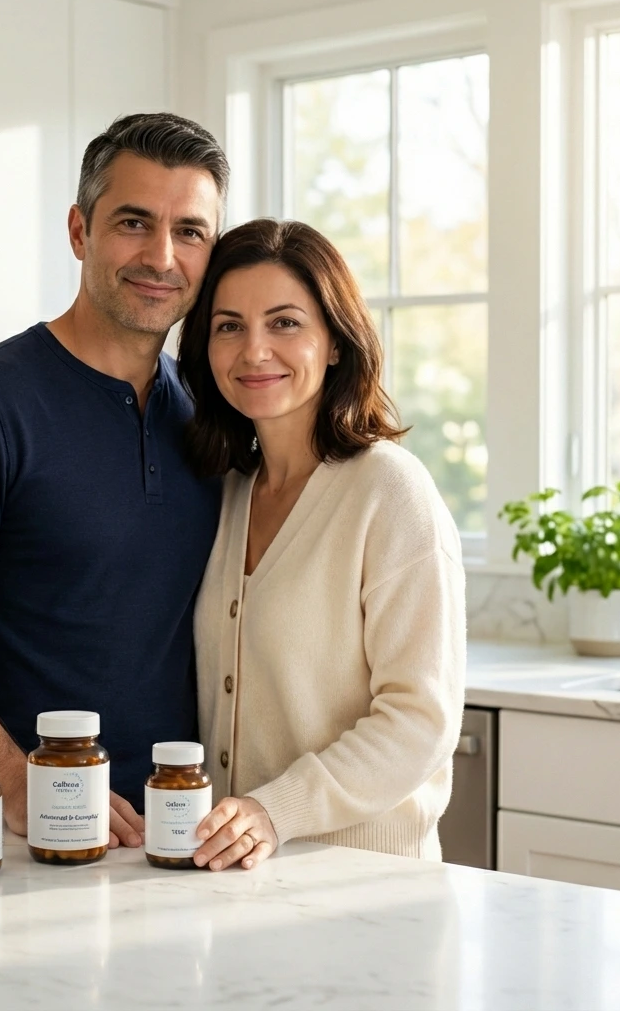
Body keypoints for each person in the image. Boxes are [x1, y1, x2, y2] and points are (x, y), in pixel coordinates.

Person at [0, 113, 229, 847]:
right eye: (134, 222)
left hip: (177, 834)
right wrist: (19, 783)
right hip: (18, 833)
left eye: (190, 231)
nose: (161, 256)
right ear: (79, 232)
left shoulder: (207, 415)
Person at [176, 218, 466, 871]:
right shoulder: (225, 494)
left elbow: (421, 720)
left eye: (285, 323)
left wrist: (276, 811)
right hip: (239, 883)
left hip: (365, 888)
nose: (254, 351)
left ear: (334, 341)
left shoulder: (389, 491)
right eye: (229, 325)